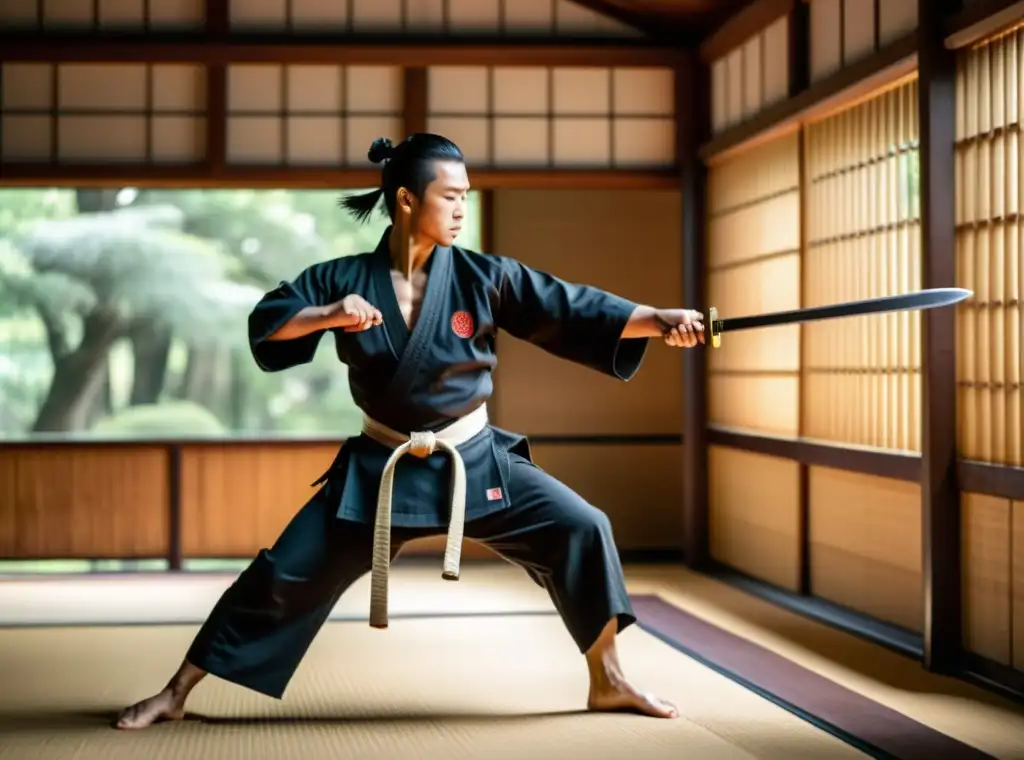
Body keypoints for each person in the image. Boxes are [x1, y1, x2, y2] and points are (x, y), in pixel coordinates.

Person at [115, 133, 705, 730]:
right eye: (449, 197)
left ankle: (610, 680)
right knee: (282, 573)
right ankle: (176, 692)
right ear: (404, 199)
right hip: (380, 470)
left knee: (584, 528)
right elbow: (268, 325)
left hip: (472, 460)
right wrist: (331, 316)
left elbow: (569, 306)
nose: (460, 210)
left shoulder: (484, 277)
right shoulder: (341, 278)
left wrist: (660, 320)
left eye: (466, 198)